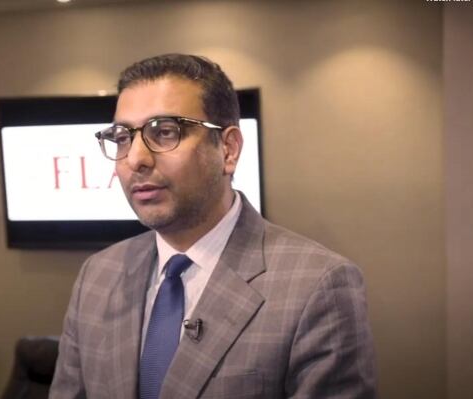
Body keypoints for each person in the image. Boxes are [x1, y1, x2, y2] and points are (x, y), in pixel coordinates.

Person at [49, 54, 377, 399]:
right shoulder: (98, 276)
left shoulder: (318, 286)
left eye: (164, 132)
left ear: (228, 149)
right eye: (122, 138)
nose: (136, 159)